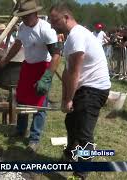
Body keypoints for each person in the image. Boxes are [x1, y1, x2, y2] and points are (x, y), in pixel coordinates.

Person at [49, 3, 111, 179]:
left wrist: (69, 99)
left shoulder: (77, 35)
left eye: (55, 21)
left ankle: (81, 173)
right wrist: (64, 99)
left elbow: (75, 71)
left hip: (94, 89)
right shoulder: (71, 37)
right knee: (71, 123)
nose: (53, 25)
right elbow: (67, 72)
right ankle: (69, 157)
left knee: (84, 133)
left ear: (66, 17)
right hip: (85, 87)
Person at [0, 0, 61, 153]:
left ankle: (34, 138)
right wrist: (4, 61)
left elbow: (56, 56)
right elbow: (17, 45)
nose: (23, 19)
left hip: (43, 67)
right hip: (27, 66)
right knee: (22, 100)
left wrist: (46, 77)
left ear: (35, 14)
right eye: (22, 16)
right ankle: (20, 130)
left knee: (39, 104)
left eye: (26, 16)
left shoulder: (46, 29)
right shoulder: (23, 28)